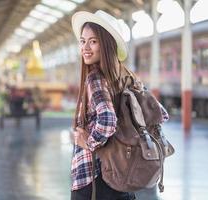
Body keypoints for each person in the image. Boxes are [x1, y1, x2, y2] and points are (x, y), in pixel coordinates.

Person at [70, 10, 169, 200]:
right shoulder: (128, 77)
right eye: (82, 41)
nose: (85, 47)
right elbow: (160, 113)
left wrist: (88, 142)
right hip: (122, 174)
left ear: (106, 44)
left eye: (93, 41)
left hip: (94, 176)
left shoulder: (95, 78)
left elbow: (107, 120)